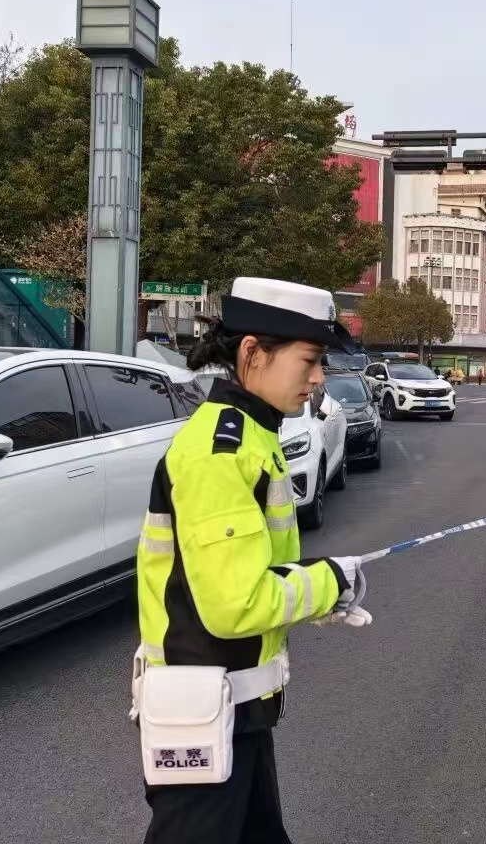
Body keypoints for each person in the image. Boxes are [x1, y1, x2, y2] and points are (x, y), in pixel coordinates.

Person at [135, 277, 372, 844]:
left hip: (237, 703)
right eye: (309, 361)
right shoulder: (222, 453)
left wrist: (320, 590)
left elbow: (250, 572)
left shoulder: (252, 434)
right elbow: (235, 605)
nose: (318, 378)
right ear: (252, 353)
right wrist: (327, 582)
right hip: (204, 708)